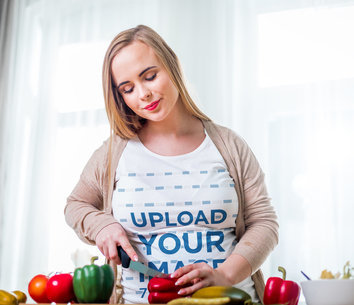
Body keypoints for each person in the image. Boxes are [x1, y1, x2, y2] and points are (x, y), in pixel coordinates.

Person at [64, 24, 278, 304]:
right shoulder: (114, 153)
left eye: (150, 76)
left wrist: (224, 275)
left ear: (172, 65)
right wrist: (102, 226)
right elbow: (75, 205)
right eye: (128, 89)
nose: (143, 94)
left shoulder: (228, 145)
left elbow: (264, 223)